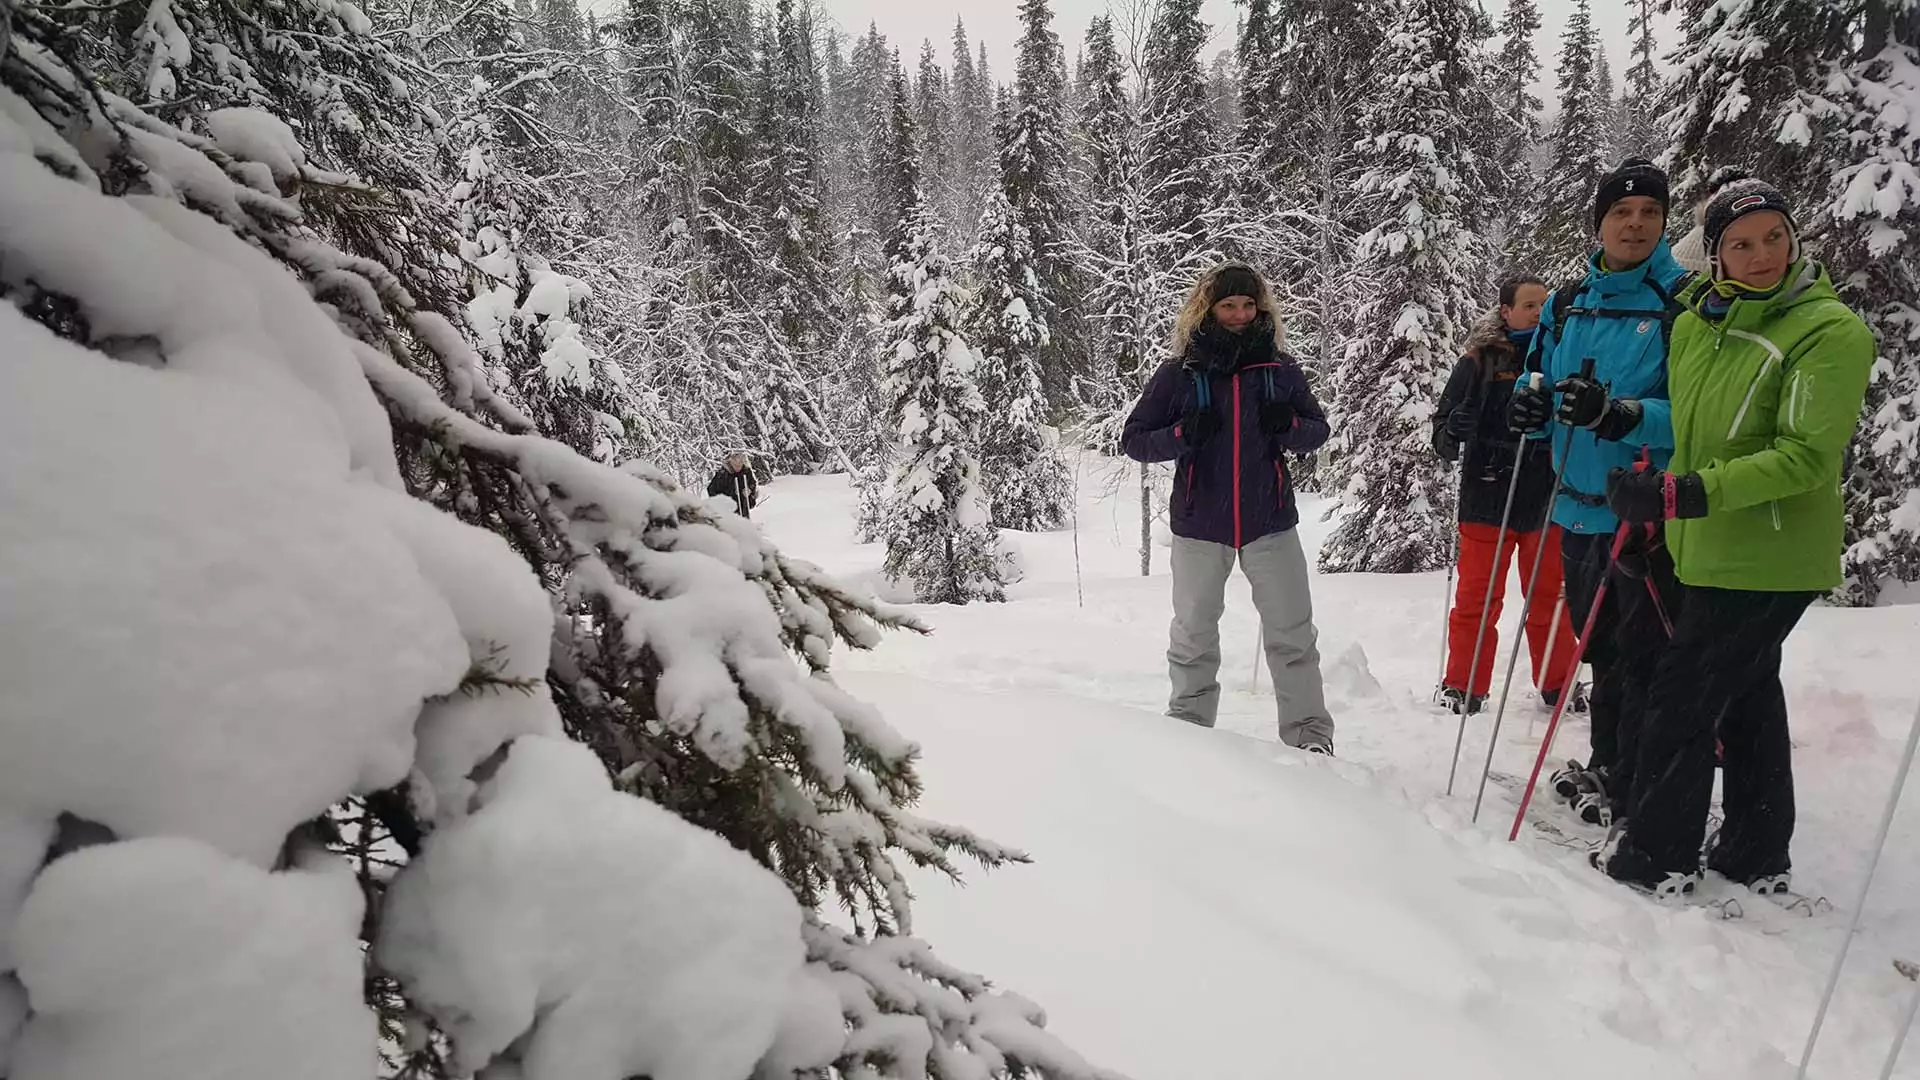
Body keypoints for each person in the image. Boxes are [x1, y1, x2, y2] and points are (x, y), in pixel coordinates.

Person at [1594, 179, 1873, 897]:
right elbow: (1688, 429)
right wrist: (1626, 416)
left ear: (1795, 238)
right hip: (1708, 547)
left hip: (1769, 554)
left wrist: (1686, 493)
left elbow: (1806, 456)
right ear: (1714, 257)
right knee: (1747, 692)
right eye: (1740, 244)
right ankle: (1752, 848)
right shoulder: (1699, 324)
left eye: (1774, 237)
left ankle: (1656, 858)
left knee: (1682, 697)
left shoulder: (1826, 330)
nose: (1761, 256)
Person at [1506, 157, 1695, 827]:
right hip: (1576, 509)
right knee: (1601, 648)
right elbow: (1535, 373)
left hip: (1645, 515)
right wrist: (1527, 405)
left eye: (1649, 213)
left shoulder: (1684, 303)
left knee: (1648, 653)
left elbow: (1699, 411)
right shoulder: (1566, 304)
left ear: (1665, 223)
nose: (1635, 223)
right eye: (1622, 212)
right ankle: (1610, 760)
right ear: (1600, 222)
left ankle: (1643, 775)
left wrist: (1621, 415)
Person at [1121, 261, 1336, 754]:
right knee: (1194, 635)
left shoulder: (1279, 369)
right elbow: (1134, 440)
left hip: (1270, 522)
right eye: (1228, 305)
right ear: (1208, 309)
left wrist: (1290, 426)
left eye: (1247, 304)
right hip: (1201, 524)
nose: (1240, 314)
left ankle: (1309, 739)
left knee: (1293, 634)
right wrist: (1180, 434)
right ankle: (1188, 730)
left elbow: (1316, 430)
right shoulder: (1180, 374)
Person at [1431, 277, 1582, 716]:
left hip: (1545, 493)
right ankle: (1463, 686)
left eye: (1543, 304)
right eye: (1529, 304)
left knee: (1550, 596)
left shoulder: (1560, 356)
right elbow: (1441, 433)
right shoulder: (1477, 363)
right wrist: (1453, 430)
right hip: (1487, 491)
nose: (1538, 312)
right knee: (1478, 597)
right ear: (1505, 311)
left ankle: (1558, 684)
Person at [707, 451, 758, 518]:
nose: (738, 467)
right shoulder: (723, 474)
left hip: (743, 508)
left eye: (740, 464)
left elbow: (752, 483)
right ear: (730, 462)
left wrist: (750, 490)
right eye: (735, 464)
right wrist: (721, 502)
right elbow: (711, 489)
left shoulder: (746, 471)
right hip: (728, 511)